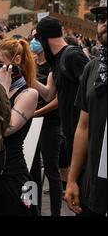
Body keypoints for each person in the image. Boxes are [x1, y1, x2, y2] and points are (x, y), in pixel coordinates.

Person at [34, 17, 89, 190]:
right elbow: (51, 95)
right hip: (70, 132)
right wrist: (27, 74)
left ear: (45, 38)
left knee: (83, 186)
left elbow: (91, 91)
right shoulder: (57, 60)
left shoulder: (72, 55)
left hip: (82, 131)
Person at [65, 0, 107, 216]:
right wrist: (72, 179)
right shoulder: (92, 68)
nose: (105, 22)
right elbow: (83, 126)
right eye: (102, 17)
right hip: (93, 189)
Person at [0, 39, 39, 216]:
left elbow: (7, 129)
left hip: (13, 174)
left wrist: (2, 89)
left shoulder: (28, 93)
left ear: (16, 61)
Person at [29, 33, 63, 216]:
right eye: (33, 38)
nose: (34, 42)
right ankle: (31, 209)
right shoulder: (31, 63)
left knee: (51, 170)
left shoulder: (54, 66)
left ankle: (55, 212)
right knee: (29, 170)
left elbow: (53, 98)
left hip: (49, 123)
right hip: (30, 124)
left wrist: (36, 113)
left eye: (38, 38)